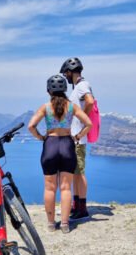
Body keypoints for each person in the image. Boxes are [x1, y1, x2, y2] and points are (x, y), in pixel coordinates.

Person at [28, 74, 92, 234]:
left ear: (48, 90)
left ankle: (51, 223)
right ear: (64, 89)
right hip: (67, 146)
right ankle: (64, 224)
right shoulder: (72, 107)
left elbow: (31, 126)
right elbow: (88, 124)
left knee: (50, 188)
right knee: (65, 188)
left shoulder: (45, 107)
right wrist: (77, 137)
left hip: (50, 145)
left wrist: (41, 137)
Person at [60, 57, 95, 222]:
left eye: (66, 73)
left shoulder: (82, 85)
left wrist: (83, 119)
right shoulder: (78, 88)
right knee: (75, 173)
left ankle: (82, 208)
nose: (65, 77)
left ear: (70, 71)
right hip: (74, 138)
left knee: (79, 173)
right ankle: (76, 206)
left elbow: (90, 101)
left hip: (78, 139)